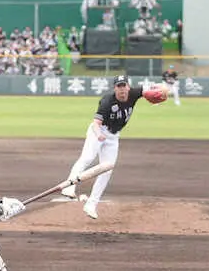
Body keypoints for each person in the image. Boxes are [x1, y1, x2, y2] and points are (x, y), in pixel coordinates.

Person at [60, 74, 169, 219]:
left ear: (128, 87)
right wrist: (99, 135)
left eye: (124, 86)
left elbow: (157, 89)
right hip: (98, 131)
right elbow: (96, 123)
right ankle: (69, 187)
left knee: (107, 169)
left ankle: (91, 204)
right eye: (119, 86)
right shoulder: (107, 101)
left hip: (113, 136)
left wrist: (163, 90)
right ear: (115, 88)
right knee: (87, 158)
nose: (122, 89)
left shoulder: (134, 93)